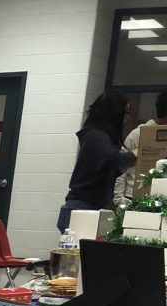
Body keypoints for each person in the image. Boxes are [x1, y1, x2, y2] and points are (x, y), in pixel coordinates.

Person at [58, 90, 137, 231]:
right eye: (125, 113)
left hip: (90, 207)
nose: (127, 118)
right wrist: (136, 154)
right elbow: (114, 161)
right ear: (115, 113)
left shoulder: (99, 136)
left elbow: (110, 168)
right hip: (83, 208)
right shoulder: (95, 136)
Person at [114, 90, 167, 208]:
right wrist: (119, 201)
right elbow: (120, 170)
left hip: (160, 199)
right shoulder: (138, 134)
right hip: (132, 198)